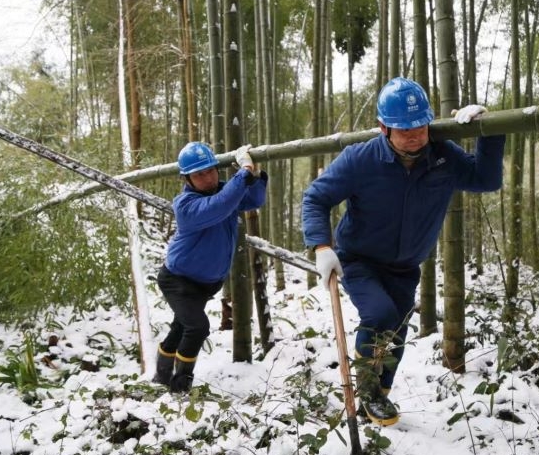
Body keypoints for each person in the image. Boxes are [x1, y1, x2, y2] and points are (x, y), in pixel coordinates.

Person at [301, 77, 505, 426]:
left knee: (396, 331)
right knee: (379, 315)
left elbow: (485, 180)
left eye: (420, 126)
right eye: (403, 129)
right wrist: (321, 246)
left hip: (407, 265)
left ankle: (380, 395)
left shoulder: (443, 157)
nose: (414, 135)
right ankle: (366, 389)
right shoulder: (360, 159)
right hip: (359, 259)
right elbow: (316, 198)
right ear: (383, 128)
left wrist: (488, 130)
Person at [153, 141, 267, 393]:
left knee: (181, 326)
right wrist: (243, 172)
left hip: (204, 284)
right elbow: (219, 206)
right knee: (197, 327)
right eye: (199, 174)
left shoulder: (226, 192)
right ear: (187, 179)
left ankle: (161, 378)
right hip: (178, 280)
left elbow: (255, 199)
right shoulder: (185, 206)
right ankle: (180, 387)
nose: (207, 178)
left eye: (211, 170)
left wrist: (256, 174)